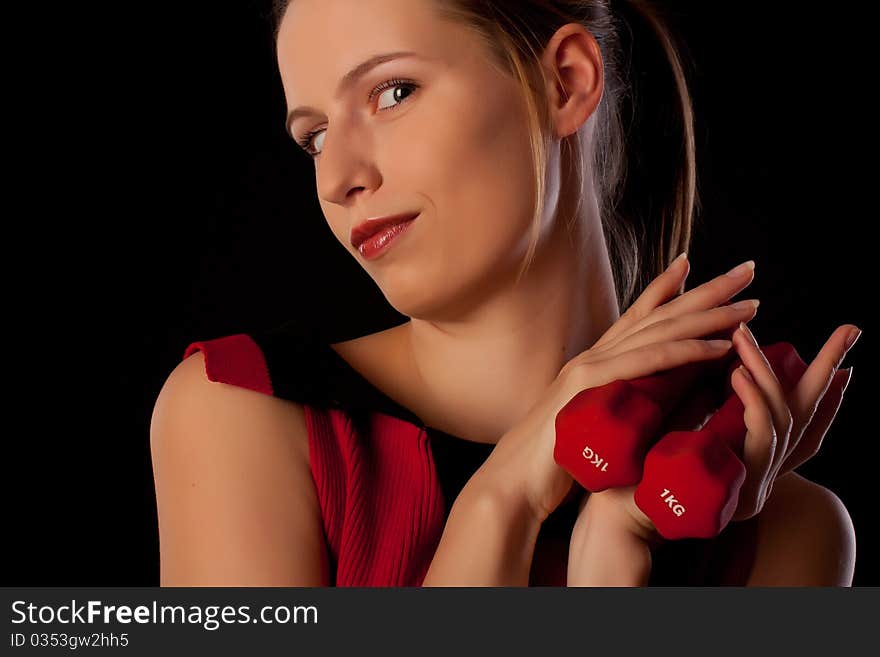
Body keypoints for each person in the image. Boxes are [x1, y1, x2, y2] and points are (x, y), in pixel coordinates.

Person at [149, 0, 859, 586]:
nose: (338, 177)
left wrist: (615, 550)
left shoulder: (785, 532)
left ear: (565, 83)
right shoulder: (238, 415)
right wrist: (502, 499)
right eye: (315, 135)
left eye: (392, 93)